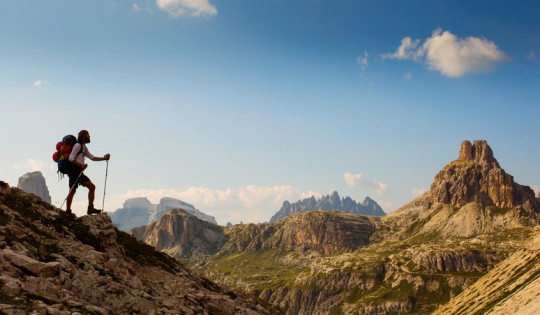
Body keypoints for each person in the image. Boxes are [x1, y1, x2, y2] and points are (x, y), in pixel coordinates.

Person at [65, 130, 110, 216]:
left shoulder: (84, 148)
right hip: (74, 171)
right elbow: (71, 158)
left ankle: (90, 208)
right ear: (83, 137)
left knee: (92, 187)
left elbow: (92, 157)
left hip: (79, 172)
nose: (89, 138)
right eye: (88, 136)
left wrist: (105, 159)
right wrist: (80, 165)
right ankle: (68, 211)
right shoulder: (78, 145)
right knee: (72, 190)